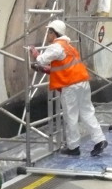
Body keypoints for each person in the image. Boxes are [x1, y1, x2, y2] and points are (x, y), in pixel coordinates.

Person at [29, 20, 108, 156]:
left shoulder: (56, 46)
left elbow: (41, 60)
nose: (47, 35)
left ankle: (73, 147)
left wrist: (35, 54)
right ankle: (100, 140)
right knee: (87, 112)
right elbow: (63, 67)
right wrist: (45, 70)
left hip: (70, 85)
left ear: (54, 33)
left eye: (49, 32)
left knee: (70, 116)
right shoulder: (68, 47)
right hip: (82, 82)